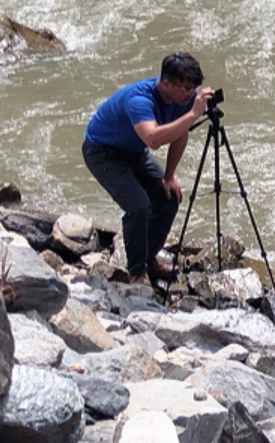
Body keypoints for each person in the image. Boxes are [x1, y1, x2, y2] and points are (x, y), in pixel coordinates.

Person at [82, 52, 215, 285]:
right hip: (103, 152)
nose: (190, 93)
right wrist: (194, 113)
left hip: (133, 151)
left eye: (193, 88)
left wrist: (169, 176)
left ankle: (148, 258)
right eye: (184, 88)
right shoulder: (139, 100)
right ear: (165, 83)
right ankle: (136, 271)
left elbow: (180, 134)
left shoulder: (183, 101)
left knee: (169, 198)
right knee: (139, 206)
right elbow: (153, 138)